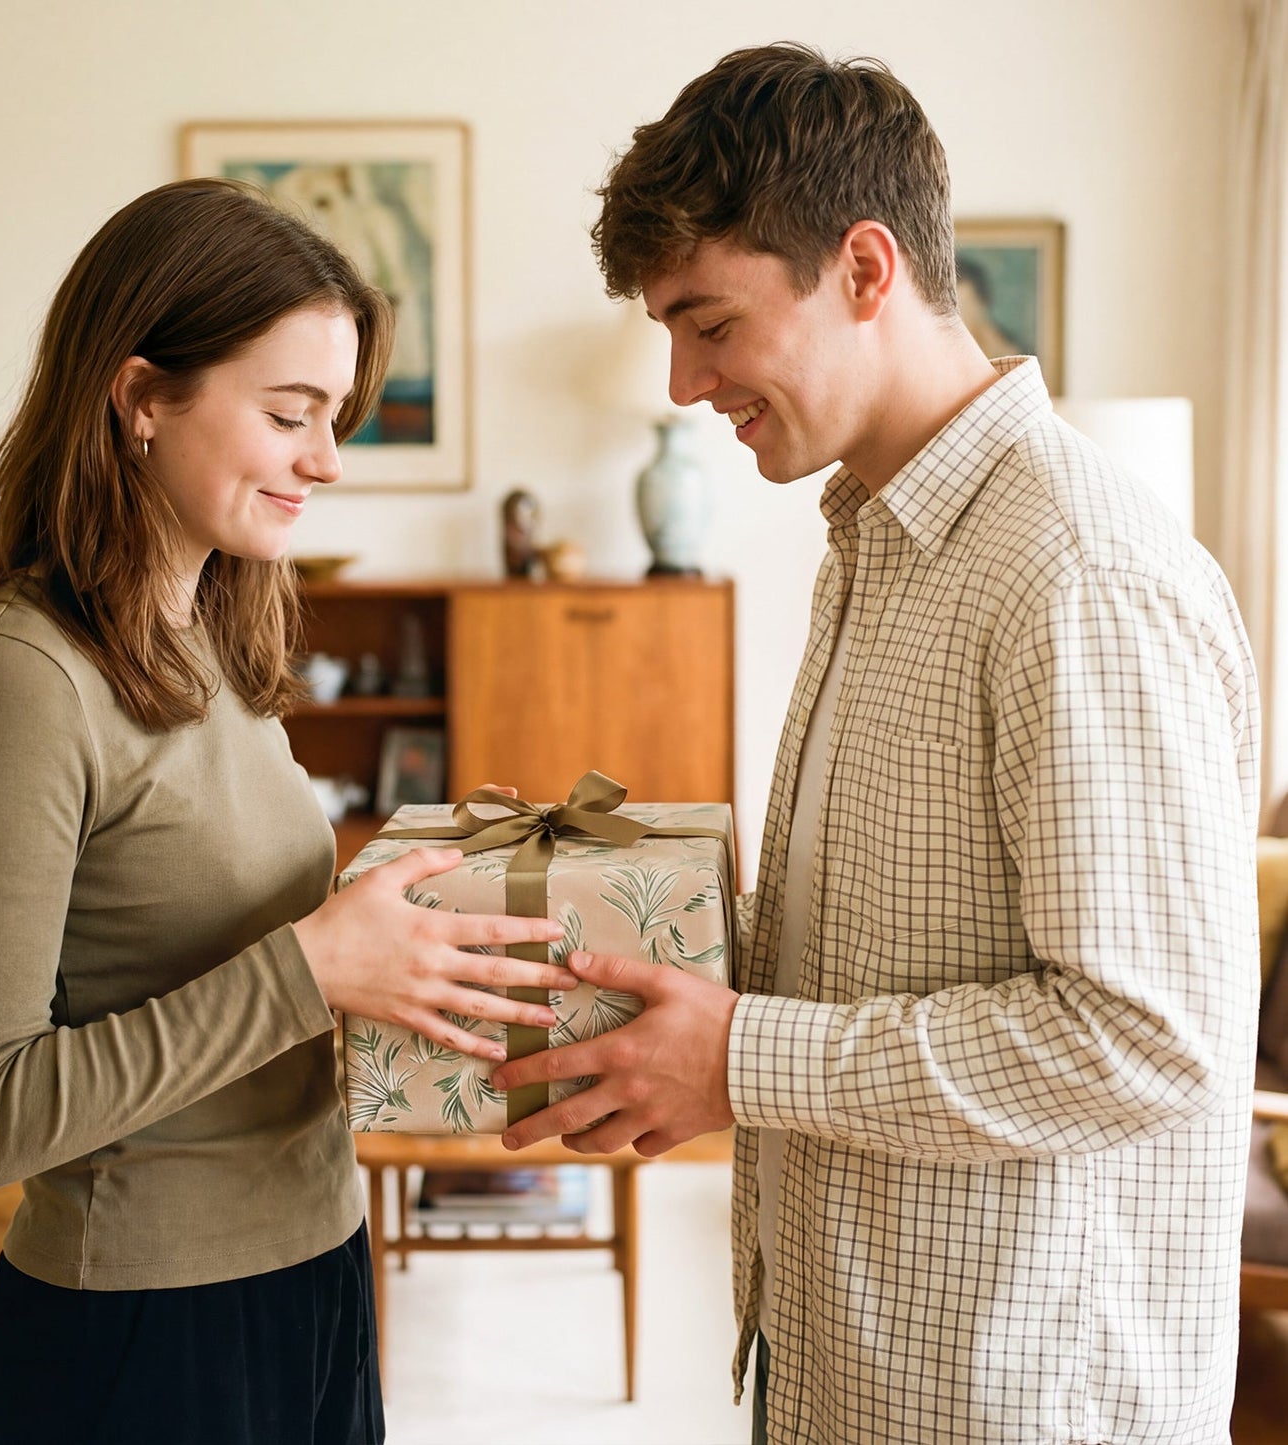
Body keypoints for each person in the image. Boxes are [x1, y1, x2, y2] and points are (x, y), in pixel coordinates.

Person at [493, 42, 1261, 1444]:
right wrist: (625, 966)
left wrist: (738, 1059)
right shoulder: (874, 541)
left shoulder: (1078, 574)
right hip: (855, 1360)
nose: (679, 379)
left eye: (709, 322)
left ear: (861, 267)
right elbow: (872, 936)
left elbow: (1147, 1037)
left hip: (1014, 1401)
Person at [0, 177, 573, 1445]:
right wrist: (315, 966)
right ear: (143, 396)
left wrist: (413, 893)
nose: (326, 459)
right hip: (145, 1329)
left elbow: (211, 929)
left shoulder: (209, 626)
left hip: (311, 1263)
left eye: (334, 417)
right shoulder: (23, 678)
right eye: (289, 413)